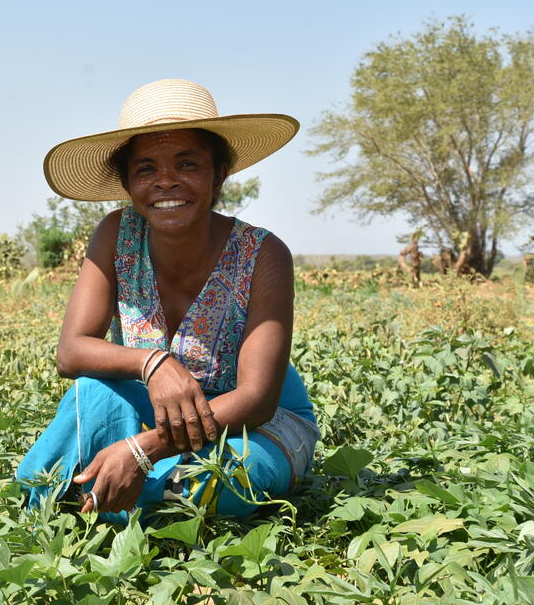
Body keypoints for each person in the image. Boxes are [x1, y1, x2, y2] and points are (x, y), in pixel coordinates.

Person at [18, 79, 319, 522]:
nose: (166, 182)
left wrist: (143, 449)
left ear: (219, 174)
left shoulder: (262, 253)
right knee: (90, 395)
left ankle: (118, 488)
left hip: (252, 424)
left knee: (228, 477)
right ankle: (95, 494)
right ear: (126, 182)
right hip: (157, 409)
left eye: (187, 163)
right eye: (145, 169)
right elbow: (71, 351)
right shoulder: (115, 235)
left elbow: (257, 398)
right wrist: (153, 363)